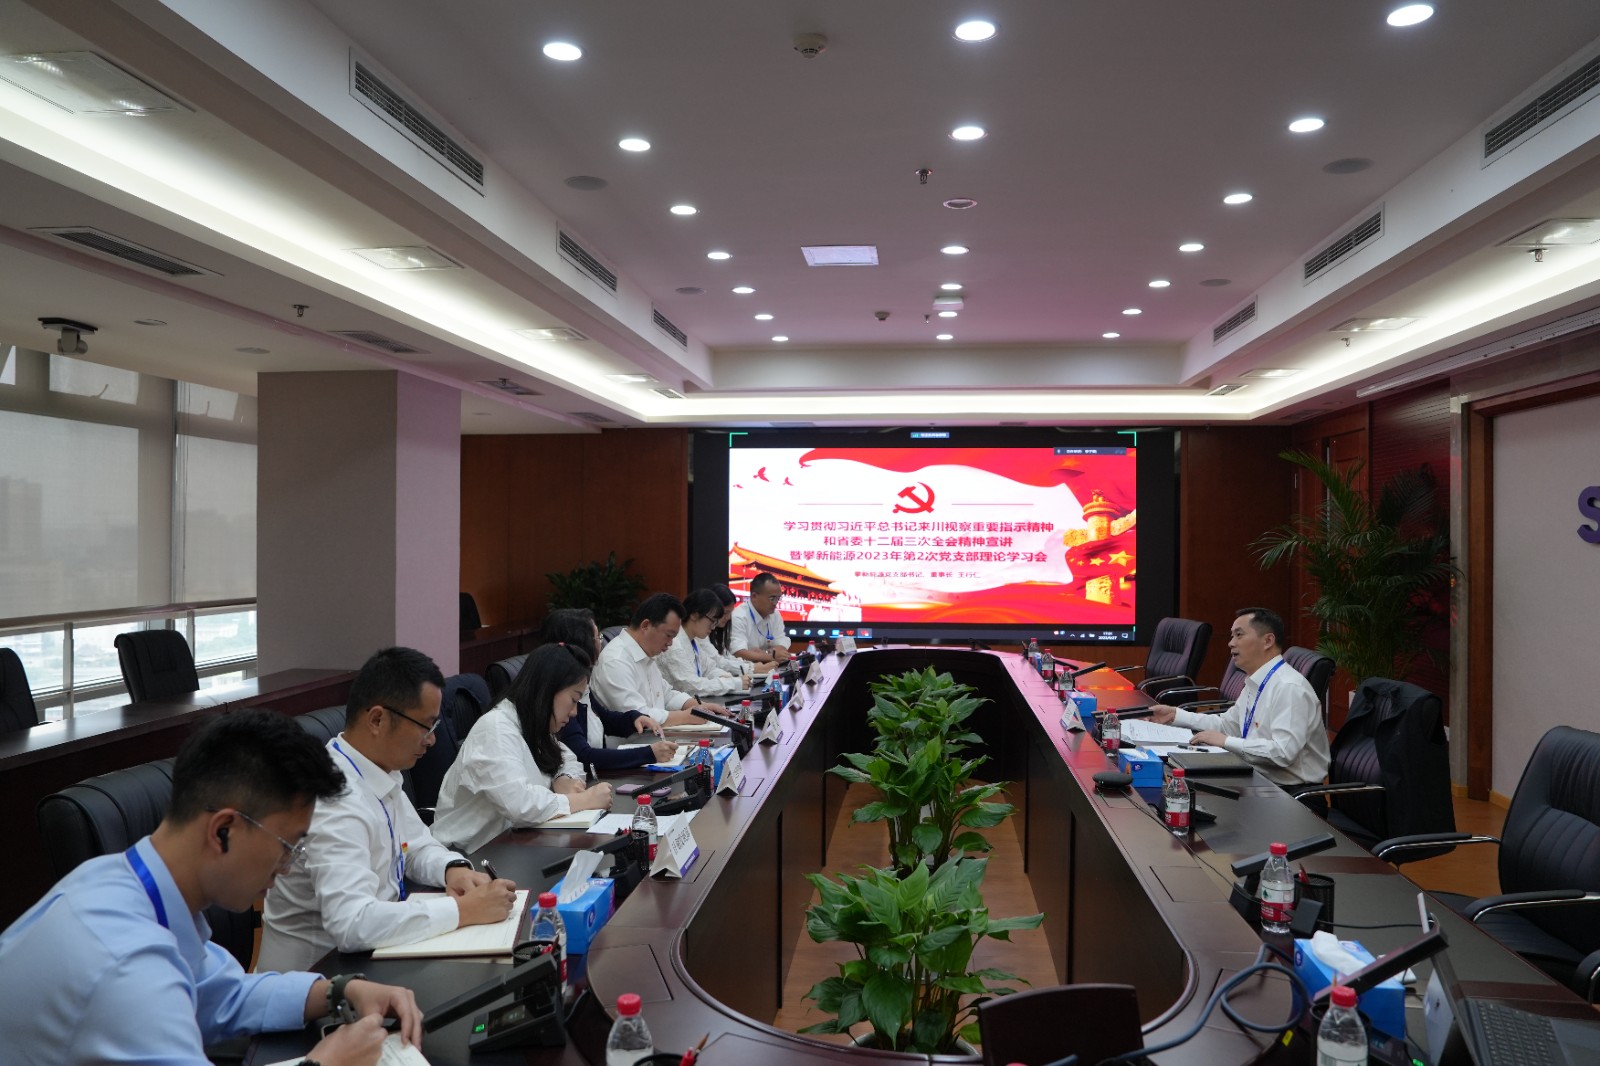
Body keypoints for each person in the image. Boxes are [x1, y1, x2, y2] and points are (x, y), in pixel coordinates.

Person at [0, 708, 424, 1065]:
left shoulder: (121, 882)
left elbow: (221, 994)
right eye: (287, 846)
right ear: (223, 831)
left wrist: (338, 990)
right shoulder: (124, 967)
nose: (287, 868)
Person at [258, 647, 518, 973]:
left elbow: (415, 845)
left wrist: (453, 870)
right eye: (426, 726)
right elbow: (352, 923)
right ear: (377, 719)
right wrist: (463, 910)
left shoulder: (377, 769)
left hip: (374, 954)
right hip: (318, 976)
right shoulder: (333, 798)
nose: (432, 740)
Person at [431, 643, 616, 851]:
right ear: (548, 690)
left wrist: (563, 778)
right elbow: (520, 805)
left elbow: (568, 758)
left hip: (516, 844)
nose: (574, 712)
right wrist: (583, 800)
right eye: (573, 700)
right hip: (471, 855)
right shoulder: (496, 729)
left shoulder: (532, 723)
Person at [1150, 608, 1330, 789]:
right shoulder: (1256, 681)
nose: (1230, 643)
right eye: (1232, 636)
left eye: (1239, 635)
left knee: (1183, 793)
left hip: (1290, 794)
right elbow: (1228, 725)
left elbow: (1282, 753)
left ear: (1268, 641)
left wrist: (1225, 741)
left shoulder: (1289, 688)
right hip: (1255, 778)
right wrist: (1175, 715)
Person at [544, 608, 677, 772]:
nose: (600, 643)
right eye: (597, 637)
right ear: (581, 643)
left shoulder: (579, 681)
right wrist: (649, 754)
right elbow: (584, 756)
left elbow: (604, 718)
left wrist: (634, 718)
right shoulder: (559, 693)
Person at [592, 593, 725, 727]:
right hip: (634, 739)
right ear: (645, 625)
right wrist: (685, 716)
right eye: (668, 635)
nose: (670, 643)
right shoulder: (616, 661)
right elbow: (637, 715)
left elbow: (666, 694)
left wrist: (698, 706)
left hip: (655, 735)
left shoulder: (645, 653)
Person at [660, 588, 752, 699]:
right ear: (694, 615)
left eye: (716, 622)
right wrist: (734, 683)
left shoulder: (693, 641)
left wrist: (729, 678)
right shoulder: (674, 643)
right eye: (712, 621)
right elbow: (692, 687)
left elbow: (709, 669)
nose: (713, 627)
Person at [729, 572, 793, 665]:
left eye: (778, 598)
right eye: (772, 598)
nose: (775, 603)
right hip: (747, 671)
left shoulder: (775, 614)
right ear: (754, 596)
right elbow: (739, 652)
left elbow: (781, 641)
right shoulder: (738, 617)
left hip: (769, 667)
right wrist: (771, 656)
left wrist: (765, 653)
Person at [709, 584, 757, 679]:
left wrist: (750, 666)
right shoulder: (702, 635)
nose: (728, 617)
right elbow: (719, 663)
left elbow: (726, 657)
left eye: (730, 612)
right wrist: (751, 668)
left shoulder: (719, 632)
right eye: (725, 613)